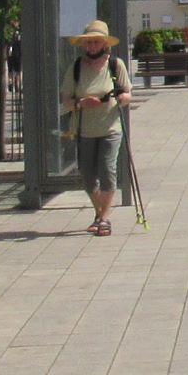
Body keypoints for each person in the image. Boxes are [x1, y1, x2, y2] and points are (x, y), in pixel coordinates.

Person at [60, 20, 134, 236]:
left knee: (108, 169)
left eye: (96, 42)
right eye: (88, 42)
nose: (91, 46)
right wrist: (81, 104)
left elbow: (128, 94)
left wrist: (120, 98)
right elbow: (66, 99)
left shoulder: (115, 65)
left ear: (104, 44)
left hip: (111, 128)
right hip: (85, 129)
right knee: (88, 174)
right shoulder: (75, 67)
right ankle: (99, 212)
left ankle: (104, 218)